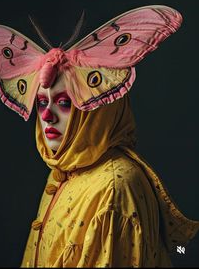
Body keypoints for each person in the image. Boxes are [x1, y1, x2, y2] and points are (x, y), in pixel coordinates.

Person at [21, 74, 199, 267]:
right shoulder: (62, 172)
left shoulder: (115, 188)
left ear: (100, 108)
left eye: (64, 102)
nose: (47, 116)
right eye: (41, 102)